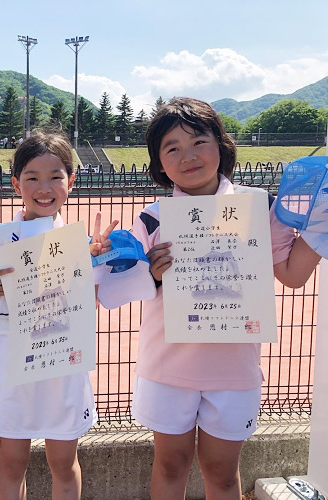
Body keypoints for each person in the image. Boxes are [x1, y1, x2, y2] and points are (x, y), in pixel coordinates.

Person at [132, 97, 320, 500]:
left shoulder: (260, 206)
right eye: (172, 148)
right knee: (169, 466)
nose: (188, 156)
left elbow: (293, 274)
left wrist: (320, 227)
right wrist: (150, 273)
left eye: (199, 141)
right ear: (159, 164)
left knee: (221, 474)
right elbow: (124, 287)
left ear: (221, 145)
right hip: (167, 368)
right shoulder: (152, 217)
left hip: (233, 371)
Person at [0, 131, 114, 500]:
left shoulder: (84, 244)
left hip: (63, 361)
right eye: (32, 177)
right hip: (12, 359)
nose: (44, 188)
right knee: (12, 461)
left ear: (71, 182)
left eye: (55, 177)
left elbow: (91, 305)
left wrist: (96, 263)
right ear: (16, 184)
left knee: (63, 462)